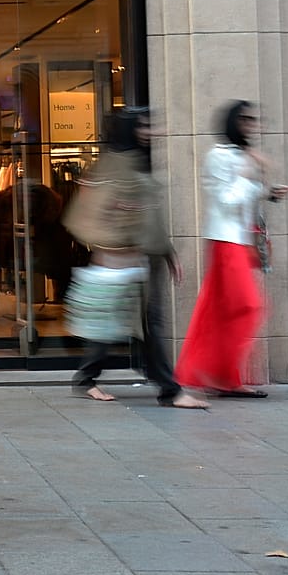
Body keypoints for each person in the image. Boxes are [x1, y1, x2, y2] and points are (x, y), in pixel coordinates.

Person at [66, 109, 207, 409]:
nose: (150, 131)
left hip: (140, 261)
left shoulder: (133, 162)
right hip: (125, 262)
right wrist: (116, 245)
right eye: (143, 126)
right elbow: (83, 219)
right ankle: (169, 390)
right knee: (140, 326)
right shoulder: (114, 167)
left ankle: (88, 378)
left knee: (126, 324)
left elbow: (149, 217)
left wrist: (166, 252)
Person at [174, 101, 288, 397]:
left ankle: (223, 377)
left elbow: (242, 199)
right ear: (232, 122)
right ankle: (219, 375)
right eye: (246, 119)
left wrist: (268, 193)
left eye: (254, 119)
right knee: (247, 306)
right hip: (226, 242)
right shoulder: (220, 156)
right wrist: (247, 174)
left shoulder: (240, 156)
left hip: (239, 240)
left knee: (225, 310)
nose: (252, 125)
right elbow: (225, 200)